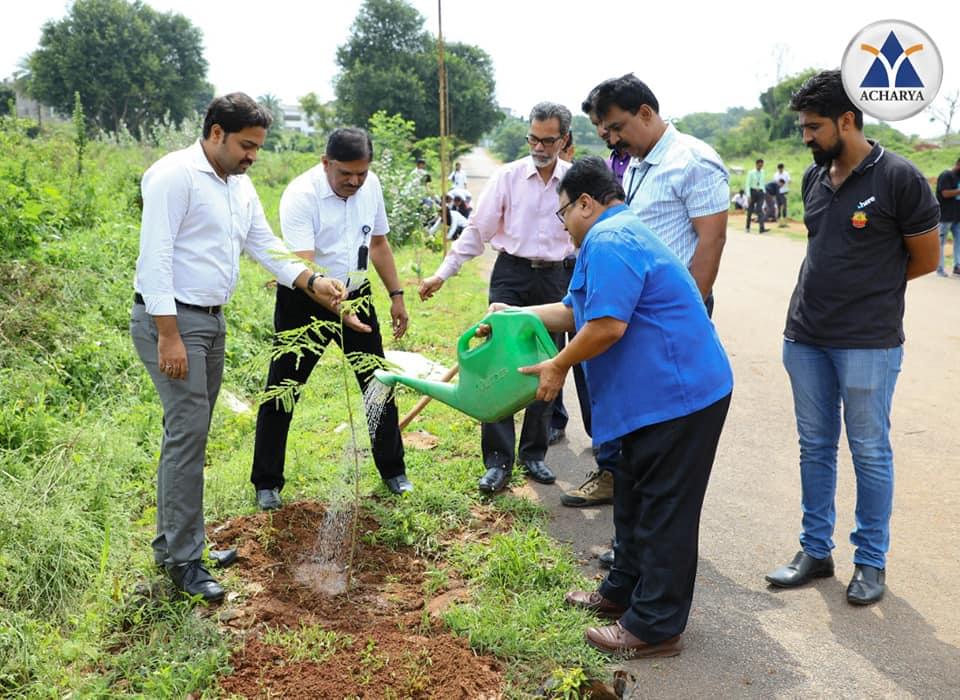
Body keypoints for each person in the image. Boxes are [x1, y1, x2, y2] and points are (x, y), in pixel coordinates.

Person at [495, 156, 732, 658]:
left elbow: (606, 327)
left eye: (562, 215)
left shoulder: (610, 239)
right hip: (652, 399)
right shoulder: (609, 237)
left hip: (680, 396)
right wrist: (512, 313)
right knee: (631, 497)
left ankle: (656, 625)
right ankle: (620, 593)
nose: (562, 227)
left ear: (585, 203)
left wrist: (558, 364)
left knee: (664, 509)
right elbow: (577, 310)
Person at [131, 93, 345, 602]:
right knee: (187, 436)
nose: (253, 156)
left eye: (258, 147)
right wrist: (168, 334)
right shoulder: (173, 176)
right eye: (246, 146)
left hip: (210, 319)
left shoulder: (238, 186)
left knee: (189, 436)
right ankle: (184, 563)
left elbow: (264, 244)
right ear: (215, 133)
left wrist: (311, 280)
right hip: (174, 319)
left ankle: (179, 546)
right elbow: (154, 257)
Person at [764, 70, 939, 606]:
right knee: (814, 447)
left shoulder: (900, 178)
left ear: (848, 120)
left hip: (868, 341)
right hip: (806, 336)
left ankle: (871, 562)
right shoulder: (814, 178)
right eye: (802, 128)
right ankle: (815, 551)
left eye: (814, 128)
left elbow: (926, 258)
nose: (806, 138)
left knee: (869, 451)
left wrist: (869, 290)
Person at [250, 128, 413, 512]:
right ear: (326, 163)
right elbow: (303, 268)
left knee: (378, 383)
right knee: (283, 390)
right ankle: (267, 483)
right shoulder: (300, 195)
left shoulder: (369, 186)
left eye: (361, 174)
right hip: (305, 299)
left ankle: (393, 471)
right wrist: (341, 311)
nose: (355, 182)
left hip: (357, 293)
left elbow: (379, 243)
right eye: (346, 175)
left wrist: (397, 296)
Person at [418, 102, 576, 494]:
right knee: (495, 365)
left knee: (546, 364)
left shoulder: (574, 181)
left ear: (564, 140)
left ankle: (534, 455)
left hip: (555, 279)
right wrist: (442, 274)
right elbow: (477, 230)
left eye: (548, 140)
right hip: (511, 276)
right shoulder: (507, 177)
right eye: (533, 138)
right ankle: (497, 461)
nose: (539, 147)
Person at [935, 157, 960, 276]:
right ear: (958, 164)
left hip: (957, 217)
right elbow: (945, 193)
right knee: (941, 243)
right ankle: (939, 269)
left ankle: (957, 266)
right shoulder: (946, 175)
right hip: (945, 217)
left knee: (959, 242)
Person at [745, 158, 766, 233]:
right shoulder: (751, 173)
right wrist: (748, 195)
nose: (760, 167)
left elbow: (763, 182)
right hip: (753, 192)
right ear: (756, 164)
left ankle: (762, 228)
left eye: (762, 166)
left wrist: (764, 192)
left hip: (760, 192)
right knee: (750, 210)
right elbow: (747, 184)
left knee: (759, 210)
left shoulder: (763, 172)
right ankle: (747, 227)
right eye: (759, 165)